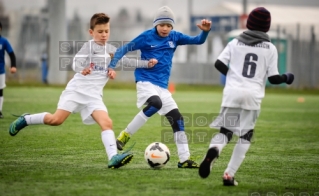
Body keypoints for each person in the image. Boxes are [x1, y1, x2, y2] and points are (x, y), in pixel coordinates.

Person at [8, 13, 157, 169]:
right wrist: (82, 69)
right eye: (100, 31)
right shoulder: (89, 47)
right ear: (91, 32)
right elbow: (75, 63)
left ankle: (113, 157)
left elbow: (126, 61)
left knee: (107, 122)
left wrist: (147, 64)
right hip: (77, 91)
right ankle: (26, 119)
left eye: (106, 31)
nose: (104, 34)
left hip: (94, 97)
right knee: (56, 120)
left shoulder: (112, 50)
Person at [198, 7, 295, 185]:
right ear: (267, 27)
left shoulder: (235, 42)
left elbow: (218, 63)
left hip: (232, 93)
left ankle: (214, 150)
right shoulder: (270, 48)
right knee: (246, 135)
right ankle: (229, 174)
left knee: (225, 131)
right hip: (253, 95)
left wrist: (233, 76)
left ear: (248, 24)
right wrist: (287, 78)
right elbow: (273, 79)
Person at [108, 6, 212, 168]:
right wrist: (112, 65)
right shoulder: (146, 37)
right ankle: (124, 136)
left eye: (169, 25)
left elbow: (198, 40)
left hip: (162, 87)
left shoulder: (175, 37)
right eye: (162, 25)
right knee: (156, 104)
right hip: (145, 81)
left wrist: (205, 32)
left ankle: (184, 159)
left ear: (172, 27)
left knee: (177, 119)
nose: (165, 28)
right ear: (156, 24)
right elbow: (123, 49)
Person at [0, 21, 17, 118]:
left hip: (0, 71)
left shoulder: (4, 41)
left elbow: (11, 54)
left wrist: (13, 66)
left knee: (0, 90)